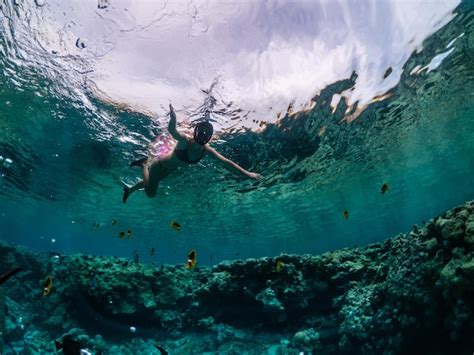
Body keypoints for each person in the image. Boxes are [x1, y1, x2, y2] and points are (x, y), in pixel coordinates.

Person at [122, 104, 261, 203]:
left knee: (153, 182)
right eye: (201, 133)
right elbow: (172, 131)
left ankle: (130, 190)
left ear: (208, 137)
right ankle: (144, 164)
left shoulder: (207, 150)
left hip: (168, 169)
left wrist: (248, 174)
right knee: (150, 193)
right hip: (157, 166)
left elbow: (226, 163)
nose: (202, 137)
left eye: (205, 134)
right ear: (196, 133)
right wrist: (173, 118)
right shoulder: (185, 141)